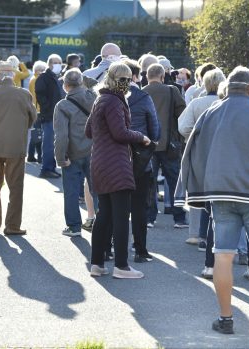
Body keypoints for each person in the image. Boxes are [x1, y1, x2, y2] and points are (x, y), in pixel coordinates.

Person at [174, 66, 249, 335]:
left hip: (220, 196)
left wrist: (196, 190)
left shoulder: (211, 112)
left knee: (222, 256)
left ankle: (225, 319)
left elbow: (192, 151)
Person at [86, 62, 151, 279]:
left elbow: (89, 131)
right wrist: (140, 137)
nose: (131, 83)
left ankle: (96, 264)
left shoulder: (100, 99)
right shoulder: (114, 100)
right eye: (129, 79)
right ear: (123, 80)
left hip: (99, 161)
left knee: (103, 214)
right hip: (117, 163)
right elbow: (120, 133)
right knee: (121, 215)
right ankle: (121, 266)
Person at [0, 60, 38, 235]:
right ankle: (12, 226)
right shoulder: (24, 95)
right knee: (15, 188)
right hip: (15, 147)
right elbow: (32, 119)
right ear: (13, 75)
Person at [178, 69, 225, 245]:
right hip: (220, 153)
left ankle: (195, 233)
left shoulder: (196, 104)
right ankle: (215, 235)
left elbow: (183, 127)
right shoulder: (224, 103)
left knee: (197, 191)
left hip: (199, 152)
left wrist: (195, 137)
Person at [124, 59, 161, 263]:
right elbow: (155, 130)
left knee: (113, 206)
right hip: (140, 158)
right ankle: (140, 249)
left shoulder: (107, 96)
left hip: (114, 158)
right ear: (137, 77)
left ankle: (109, 247)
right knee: (139, 206)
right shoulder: (143, 97)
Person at [143, 63, 188, 228]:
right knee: (174, 181)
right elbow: (183, 114)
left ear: (147, 76)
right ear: (163, 76)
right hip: (170, 144)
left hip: (147, 145)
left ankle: (149, 217)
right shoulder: (172, 90)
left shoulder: (142, 92)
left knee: (149, 182)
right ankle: (179, 218)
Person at [53, 68, 97, 237]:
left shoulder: (63, 105)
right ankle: (102, 223)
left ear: (65, 86)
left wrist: (60, 157)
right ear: (81, 82)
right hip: (94, 151)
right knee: (98, 191)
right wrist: (82, 79)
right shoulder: (95, 98)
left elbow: (62, 135)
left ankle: (74, 227)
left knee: (71, 191)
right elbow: (95, 84)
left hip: (73, 153)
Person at [36, 54, 64, 178]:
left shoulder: (55, 77)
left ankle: (51, 167)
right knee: (48, 144)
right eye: (56, 62)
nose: (59, 65)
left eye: (60, 62)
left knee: (53, 143)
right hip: (49, 116)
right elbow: (40, 95)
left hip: (57, 115)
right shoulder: (44, 77)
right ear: (50, 64)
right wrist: (48, 109)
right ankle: (46, 169)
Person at [27, 60, 48, 163]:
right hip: (38, 110)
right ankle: (39, 156)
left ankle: (31, 155)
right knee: (38, 135)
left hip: (35, 109)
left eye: (44, 69)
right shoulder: (37, 79)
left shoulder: (33, 78)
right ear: (36, 70)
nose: (43, 71)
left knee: (35, 134)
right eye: (41, 70)